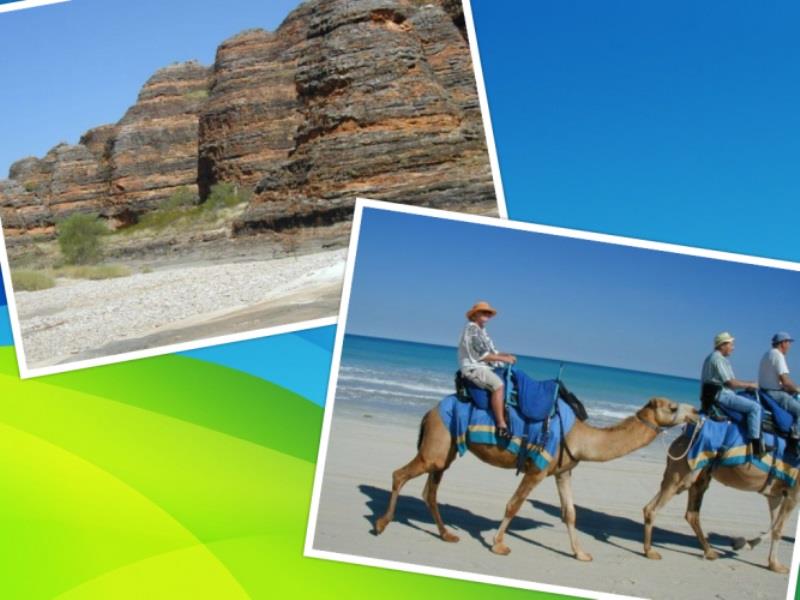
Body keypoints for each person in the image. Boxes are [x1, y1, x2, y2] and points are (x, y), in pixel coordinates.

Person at [458, 301, 517, 440]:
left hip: (483, 366)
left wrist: (506, 355)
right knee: (498, 385)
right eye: (484, 312)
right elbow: (481, 355)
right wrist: (504, 360)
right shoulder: (471, 329)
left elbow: (492, 351)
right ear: (475, 314)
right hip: (473, 367)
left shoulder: (482, 331)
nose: (487, 315)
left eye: (489, 313)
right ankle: (501, 425)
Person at [701, 332, 765, 456]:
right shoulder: (718, 359)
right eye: (731, 344)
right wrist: (750, 384)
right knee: (755, 408)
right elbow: (730, 383)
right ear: (722, 345)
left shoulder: (712, 357)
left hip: (715, 394)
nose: (733, 347)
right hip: (722, 395)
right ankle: (756, 445)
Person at [758, 332, 800, 431]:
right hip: (775, 393)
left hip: (764, 391)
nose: (789, 346)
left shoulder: (767, 353)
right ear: (783, 343)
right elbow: (785, 381)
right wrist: (797, 389)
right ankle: (797, 435)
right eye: (788, 343)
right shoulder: (778, 355)